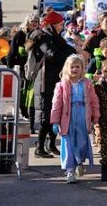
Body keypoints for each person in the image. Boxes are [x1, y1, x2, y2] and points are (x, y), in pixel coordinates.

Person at [27, 10, 73, 158]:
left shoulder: (56, 37)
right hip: (44, 82)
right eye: (60, 24)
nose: (62, 27)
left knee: (56, 115)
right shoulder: (43, 38)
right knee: (45, 116)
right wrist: (69, 53)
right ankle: (39, 147)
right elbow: (52, 55)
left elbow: (66, 50)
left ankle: (52, 144)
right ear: (52, 25)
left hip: (56, 81)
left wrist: (74, 52)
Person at [50, 54, 100, 184]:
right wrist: (55, 121)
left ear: (82, 68)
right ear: (67, 68)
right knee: (68, 144)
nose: (75, 69)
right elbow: (56, 104)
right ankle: (69, 170)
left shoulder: (87, 83)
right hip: (67, 117)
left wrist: (95, 116)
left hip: (83, 115)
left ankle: (79, 162)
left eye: (77, 67)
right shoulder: (61, 85)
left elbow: (94, 101)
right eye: (72, 67)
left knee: (82, 142)